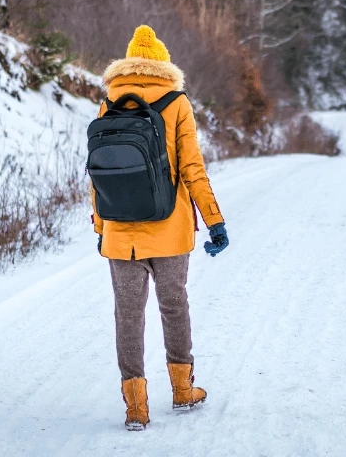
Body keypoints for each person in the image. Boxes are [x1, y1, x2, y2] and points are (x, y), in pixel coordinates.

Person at [91, 25, 229, 431]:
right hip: (169, 229)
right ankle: (183, 390)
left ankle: (136, 407)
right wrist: (214, 220)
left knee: (128, 316)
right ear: (163, 63)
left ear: (128, 63)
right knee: (174, 306)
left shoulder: (108, 103)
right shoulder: (176, 102)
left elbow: (97, 176)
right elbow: (192, 169)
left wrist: (101, 225)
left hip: (119, 232)